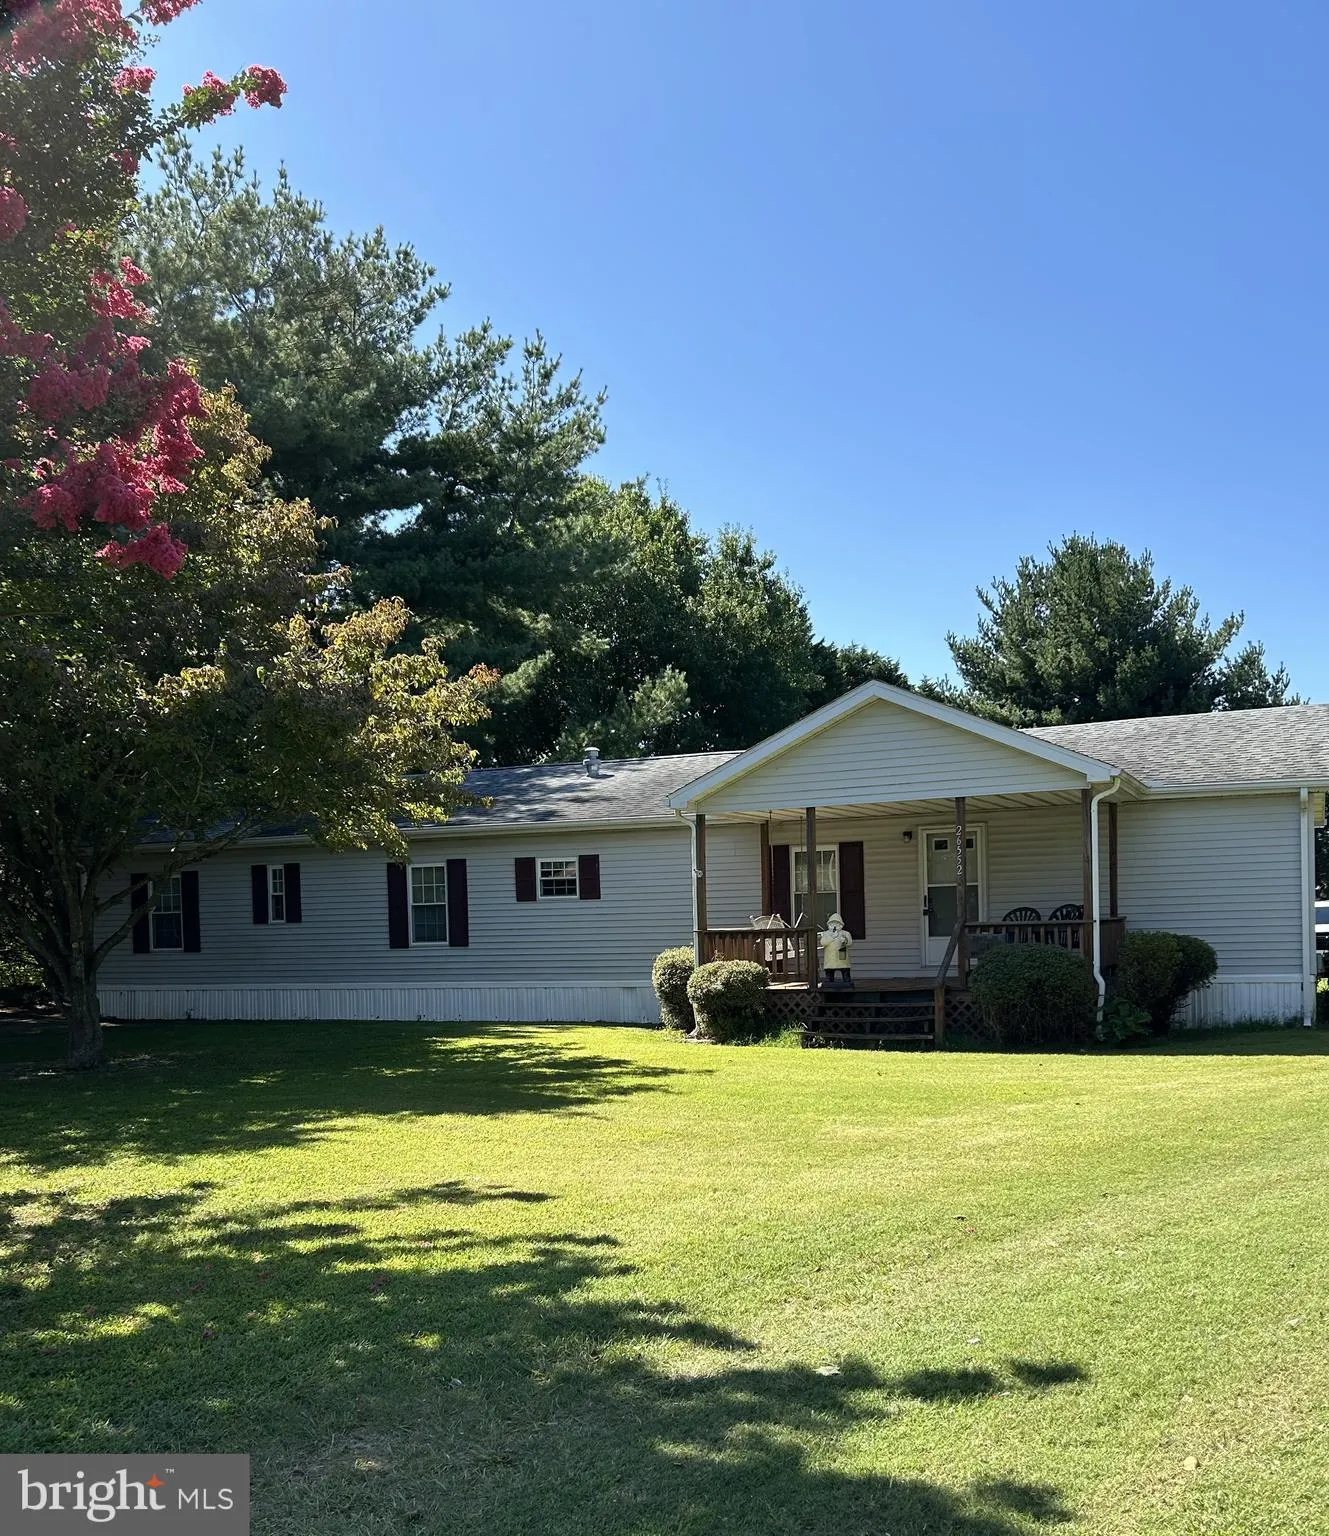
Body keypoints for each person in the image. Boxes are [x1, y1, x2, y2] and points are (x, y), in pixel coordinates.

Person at [818, 912, 853, 987]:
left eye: (837, 924)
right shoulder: (826, 934)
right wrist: (831, 937)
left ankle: (846, 980)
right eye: (832, 924)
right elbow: (823, 943)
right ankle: (829, 980)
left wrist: (845, 941)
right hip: (830, 956)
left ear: (841, 924)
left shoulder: (845, 933)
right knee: (830, 970)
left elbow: (850, 942)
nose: (834, 926)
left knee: (844, 969)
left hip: (842, 955)